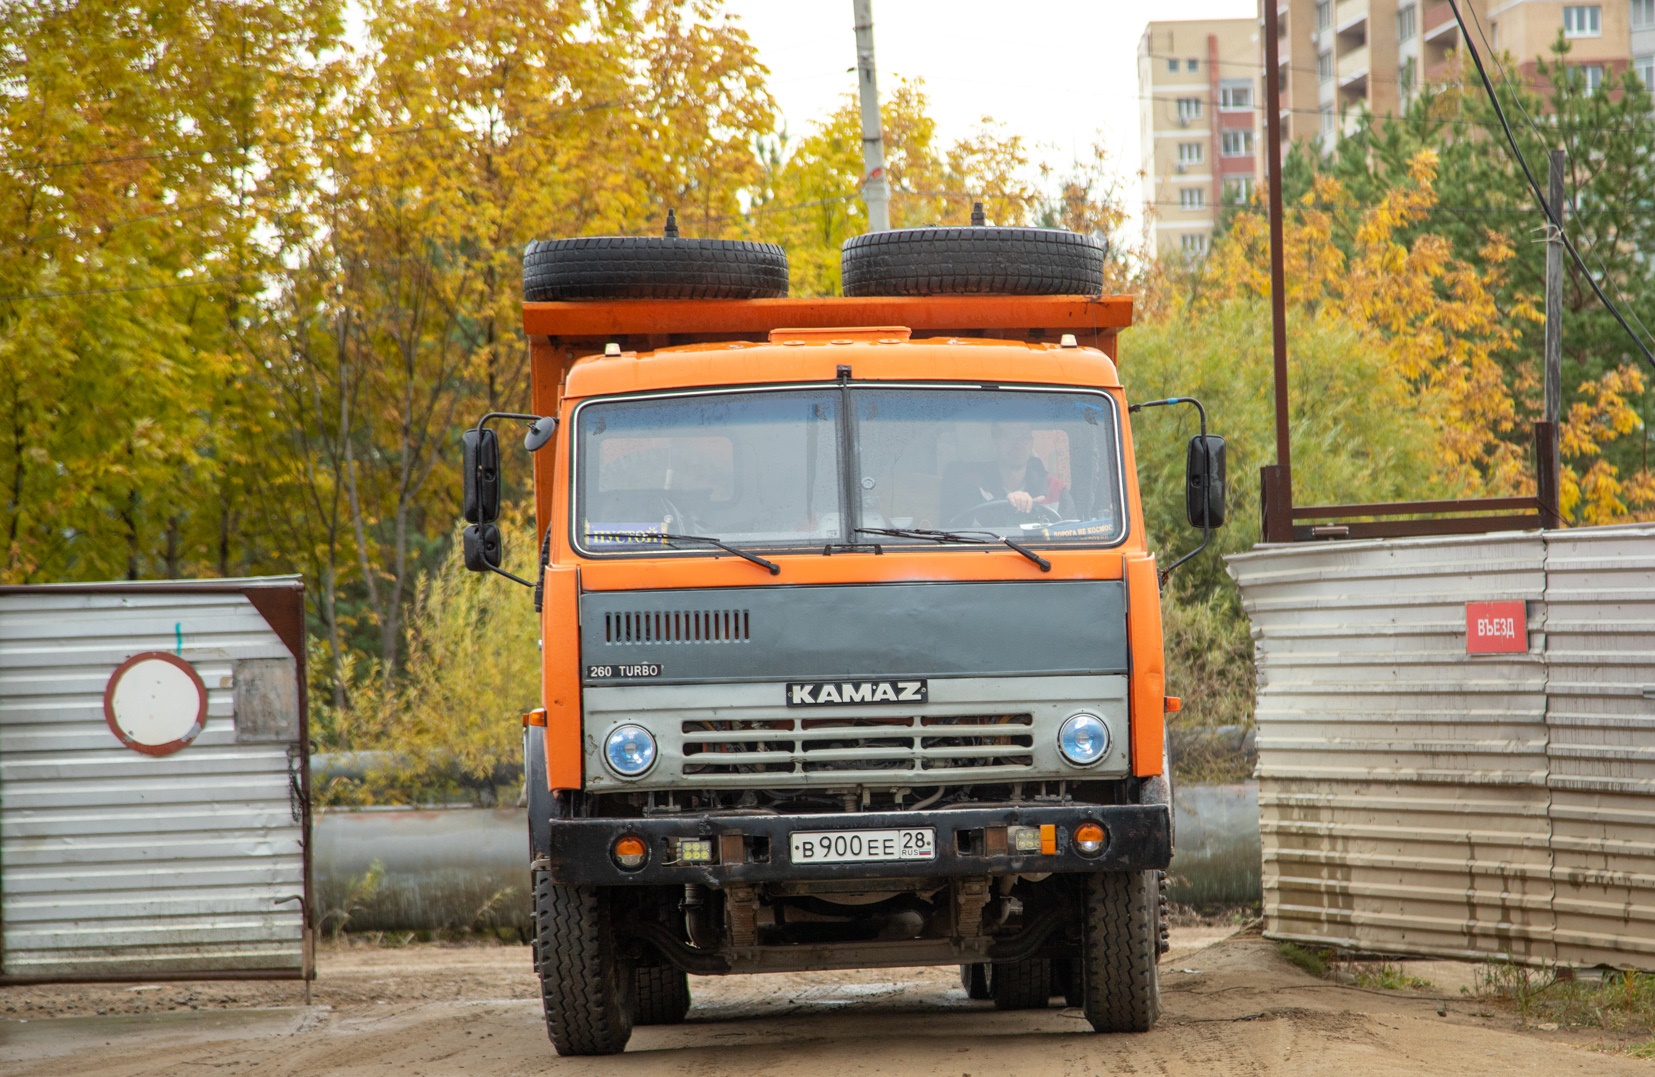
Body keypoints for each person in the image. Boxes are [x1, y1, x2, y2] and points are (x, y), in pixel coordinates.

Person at [941, 422, 1064, 524]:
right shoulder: (971, 488)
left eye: (1024, 437)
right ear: (995, 443)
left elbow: (1075, 537)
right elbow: (956, 538)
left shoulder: (1055, 489)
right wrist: (1006, 503)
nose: (1018, 444)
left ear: (1031, 443)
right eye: (1008, 436)